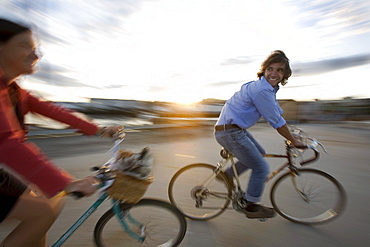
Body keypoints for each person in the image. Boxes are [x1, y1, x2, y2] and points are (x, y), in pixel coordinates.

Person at [0, 18, 121, 247]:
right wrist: (67, 183)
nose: (36, 55)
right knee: (43, 211)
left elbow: (54, 111)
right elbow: (7, 142)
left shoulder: (14, 90)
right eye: (26, 46)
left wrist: (100, 129)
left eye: (35, 49)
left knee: (49, 201)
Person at [214, 50, 306, 219]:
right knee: (261, 168)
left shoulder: (266, 89)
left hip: (233, 130)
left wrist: (292, 134)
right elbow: (276, 122)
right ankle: (251, 206)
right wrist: (293, 140)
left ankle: (227, 176)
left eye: (279, 70)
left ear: (285, 74)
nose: (274, 73)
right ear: (264, 70)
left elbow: (277, 113)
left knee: (260, 153)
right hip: (230, 132)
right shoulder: (262, 90)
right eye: (270, 68)